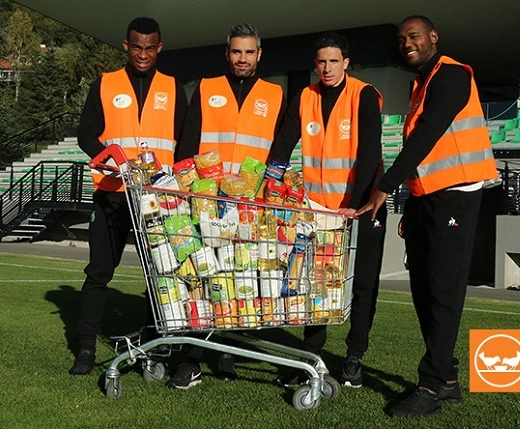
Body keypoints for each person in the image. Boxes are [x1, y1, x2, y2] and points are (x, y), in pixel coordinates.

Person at [358, 16, 499, 417]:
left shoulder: (452, 75)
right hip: (428, 197)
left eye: (414, 36)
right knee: (423, 286)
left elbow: (428, 136)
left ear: (433, 37)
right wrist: (414, 201)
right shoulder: (420, 82)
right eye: (401, 39)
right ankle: (449, 378)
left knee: (444, 289)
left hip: (456, 196)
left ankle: (431, 385)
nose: (407, 44)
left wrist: (386, 185)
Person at [166, 23, 287, 389]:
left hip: (250, 206)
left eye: (249, 52)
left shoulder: (276, 94)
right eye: (237, 52)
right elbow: (187, 146)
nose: (243, 58)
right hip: (208, 202)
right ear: (227, 54)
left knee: (240, 279)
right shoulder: (207, 87)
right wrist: (186, 192)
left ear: (259, 55)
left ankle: (228, 352)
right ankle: (194, 358)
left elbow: (279, 155)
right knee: (204, 280)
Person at [268, 32, 387, 389]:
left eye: (334, 61)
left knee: (363, 285)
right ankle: (310, 356)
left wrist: (355, 205)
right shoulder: (304, 96)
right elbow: (285, 140)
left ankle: (354, 358)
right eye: (321, 61)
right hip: (318, 210)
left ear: (346, 63)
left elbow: (369, 152)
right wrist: (272, 178)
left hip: (361, 207)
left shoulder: (363, 95)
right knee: (313, 284)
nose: (327, 68)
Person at [69, 17, 187, 375]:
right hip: (111, 195)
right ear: (126, 46)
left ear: (159, 49)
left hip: (154, 200)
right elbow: (86, 136)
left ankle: (158, 345)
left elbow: (183, 144)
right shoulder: (104, 84)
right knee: (99, 272)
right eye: (137, 46)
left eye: (150, 48)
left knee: (161, 275)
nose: (143, 54)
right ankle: (86, 349)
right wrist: (108, 156)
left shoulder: (173, 87)